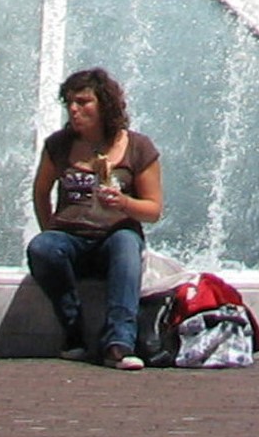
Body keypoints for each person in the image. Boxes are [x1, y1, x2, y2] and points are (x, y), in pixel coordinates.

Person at [25, 68, 163, 370]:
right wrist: (51, 229)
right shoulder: (59, 145)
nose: (74, 110)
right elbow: (40, 192)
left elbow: (153, 209)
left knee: (127, 245)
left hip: (114, 236)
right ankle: (74, 330)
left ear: (105, 105)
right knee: (42, 248)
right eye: (70, 103)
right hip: (70, 237)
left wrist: (124, 202)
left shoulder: (137, 147)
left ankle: (119, 343)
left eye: (84, 102)